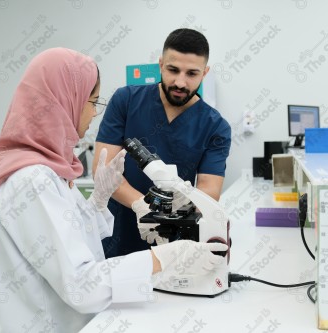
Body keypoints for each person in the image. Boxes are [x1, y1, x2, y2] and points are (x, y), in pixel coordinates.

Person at [0, 48, 225, 333]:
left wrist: (96, 203)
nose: (94, 112)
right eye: (91, 102)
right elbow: (82, 285)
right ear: (63, 100)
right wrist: (165, 258)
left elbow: (64, 238)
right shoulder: (31, 181)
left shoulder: (46, 170)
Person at [94, 28, 232, 258]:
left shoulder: (215, 126)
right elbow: (103, 170)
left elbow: (209, 189)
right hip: (115, 232)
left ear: (204, 73)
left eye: (192, 74)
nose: (180, 82)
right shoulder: (125, 101)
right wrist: (141, 206)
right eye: (173, 70)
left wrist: (177, 211)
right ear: (160, 64)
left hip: (173, 239)